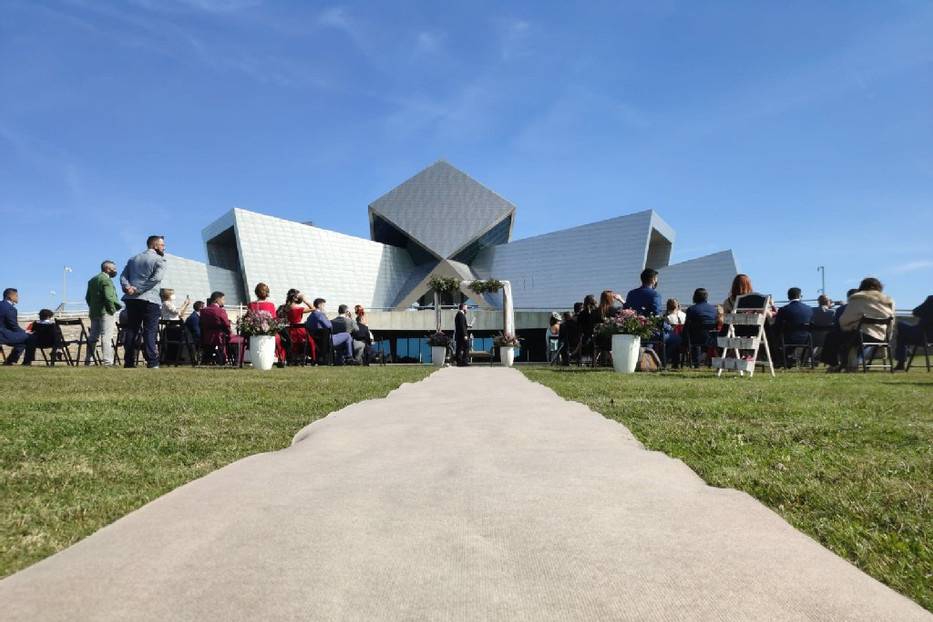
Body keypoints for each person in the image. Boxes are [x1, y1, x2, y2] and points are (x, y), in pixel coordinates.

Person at [820, 278, 895, 372]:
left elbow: (844, 320)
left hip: (861, 335)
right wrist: (887, 338)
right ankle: (848, 364)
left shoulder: (857, 299)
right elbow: (892, 322)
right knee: (847, 338)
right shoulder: (888, 301)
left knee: (832, 336)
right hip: (881, 336)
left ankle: (834, 364)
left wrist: (847, 328)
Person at [120, 235, 167, 368]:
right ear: (155, 245)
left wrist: (127, 287)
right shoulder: (160, 259)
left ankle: (129, 362)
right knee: (150, 331)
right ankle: (152, 362)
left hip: (131, 299)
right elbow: (156, 278)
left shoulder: (133, 259)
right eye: (162, 245)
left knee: (132, 330)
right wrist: (138, 290)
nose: (164, 247)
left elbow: (123, 275)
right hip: (150, 299)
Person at [85, 260, 122, 366]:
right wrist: (112, 309)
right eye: (114, 269)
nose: (115, 271)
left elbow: (88, 298)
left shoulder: (92, 280)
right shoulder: (106, 280)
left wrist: (93, 307)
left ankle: (89, 360)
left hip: (94, 312)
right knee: (106, 336)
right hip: (106, 311)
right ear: (107, 269)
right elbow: (109, 297)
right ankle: (107, 361)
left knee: (93, 337)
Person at [247, 282, 286, 365]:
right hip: (269, 332)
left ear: (256, 293)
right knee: (281, 338)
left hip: (254, 332)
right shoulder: (270, 305)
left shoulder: (251, 305)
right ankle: (281, 358)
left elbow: (248, 318)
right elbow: (274, 319)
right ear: (267, 293)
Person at [305, 298, 353, 363]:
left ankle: (340, 360)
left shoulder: (310, 316)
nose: (324, 308)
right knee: (347, 335)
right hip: (326, 340)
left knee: (344, 341)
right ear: (319, 305)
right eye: (323, 306)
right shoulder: (320, 315)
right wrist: (326, 317)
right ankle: (349, 357)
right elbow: (330, 326)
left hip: (316, 341)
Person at [775, 287, 814, 366]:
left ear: (788, 297)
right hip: (805, 338)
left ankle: (779, 360)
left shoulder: (784, 309)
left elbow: (777, 325)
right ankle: (795, 359)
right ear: (800, 296)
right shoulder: (809, 309)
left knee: (773, 334)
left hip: (788, 338)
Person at [894, 295, 933, 370]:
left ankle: (901, 363)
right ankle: (904, 354)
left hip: (924, 336)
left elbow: (915, 312)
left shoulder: (931, 299)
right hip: (929, 337)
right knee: (902, 338)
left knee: (900, 326)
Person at [0, 288, 36, 366]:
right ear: (10, 297)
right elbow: (14, 326)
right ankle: (27, 362)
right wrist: (25, 332)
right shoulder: (10, 309)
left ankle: (10, 361)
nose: (18, 298)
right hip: (3, 335)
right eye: (16, 296)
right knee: (30, 337)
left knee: (22, 340)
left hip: (4, 333)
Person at [684, 288, 719, 366]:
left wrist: (684, 339)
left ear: (695, 297)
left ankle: (695, 360)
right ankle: (703, 358)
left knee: (690, 334)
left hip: (695, 338)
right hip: (710, 338)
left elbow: (687, 326)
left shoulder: (691, 309)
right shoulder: (713, 309)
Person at [280, 289, 316, 363]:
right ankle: (313, 359)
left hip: (290, 331)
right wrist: (304, 300)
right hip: (300, 331)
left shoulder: (284, 307)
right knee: (311, 341)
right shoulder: (299, 308)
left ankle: (294, 358)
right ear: (294, 297)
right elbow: (313, 308)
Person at [199, 291, 232, 364]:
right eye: (223, 299)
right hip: (219, 337)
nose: (224, 301)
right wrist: (230, 334)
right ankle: (233, 358)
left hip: (206, 337)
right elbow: (226, 324)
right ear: (217, 300)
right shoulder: (221, 311)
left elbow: (201, 324)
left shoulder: (203, 311)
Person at [454, 302, 470, 366]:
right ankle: (464, 362)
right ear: (463, 307)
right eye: (466, 308)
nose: (467, 309)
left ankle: (459, 362)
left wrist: (467, 325)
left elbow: (462, 325)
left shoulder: (459, 314)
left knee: (459, 348)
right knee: (466, 347)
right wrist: (465, 335)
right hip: (462, 335)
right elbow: (461, 326)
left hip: (459, 335)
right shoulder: (460, 314)